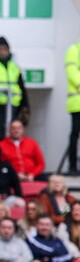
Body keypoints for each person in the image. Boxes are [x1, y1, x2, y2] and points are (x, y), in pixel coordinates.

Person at [67, 38, 80, 175]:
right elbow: (72, 73)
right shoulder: (74, 50)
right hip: (77, 103)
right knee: (75, 135)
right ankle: (72, 166)